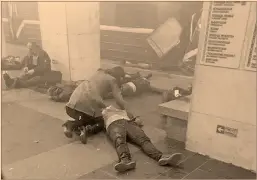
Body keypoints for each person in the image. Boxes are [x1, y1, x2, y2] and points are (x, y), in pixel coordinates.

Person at [63, 66, 134, 144]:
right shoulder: (112, 80)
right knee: (101, 121)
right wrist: (127, 112)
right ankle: (87, 130)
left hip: (72, 104)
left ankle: (69, 125)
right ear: (118, 76)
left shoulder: (99, 72)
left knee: (88, 117)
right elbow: (119, 99)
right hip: (87, 104)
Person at [102, 105, 183, 172]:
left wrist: (135, 119)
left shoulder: (123, 109)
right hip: (113, 124)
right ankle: (125, 160)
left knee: (143, 140)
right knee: (119, 141)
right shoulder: (103, 111)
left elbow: (138, 121)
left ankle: (161, 157)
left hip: (128, 122)